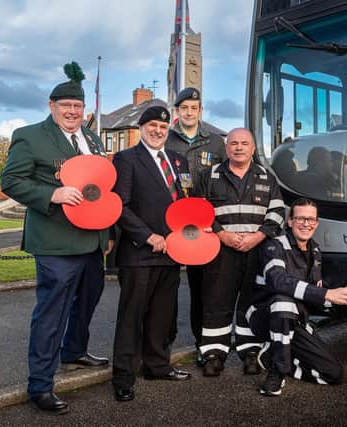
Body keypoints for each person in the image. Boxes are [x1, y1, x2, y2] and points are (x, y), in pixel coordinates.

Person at [0, 66, 111, 414]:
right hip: (55, 241)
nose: (72, 111)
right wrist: (54, 193)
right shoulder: (29, 136)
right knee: (52, 312)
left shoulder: (92, 139)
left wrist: (106, 234)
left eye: (77, 106)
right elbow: (12, 181)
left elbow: (101, 187)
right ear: (51, 106)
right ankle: (40, 385)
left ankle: (75, 351)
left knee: (88, 301)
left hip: (92, 240)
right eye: (65, 105)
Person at [111, 106, 191, 402]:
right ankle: (123, 377)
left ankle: (157, 365)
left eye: (163, 126)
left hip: (172, 251)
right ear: (142, 127)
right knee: (132, 317)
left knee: (162, 315)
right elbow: (120, 206)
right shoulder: (127, 159)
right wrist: (148, 236)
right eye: (152, 125)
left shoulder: (178, 160)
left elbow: (187, 201)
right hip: (140, 253)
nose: (158, 130)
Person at [194, 127, 285, 377]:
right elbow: (198, 210)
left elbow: (277, 211)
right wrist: (222, 234)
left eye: (244, 143)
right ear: (226, 148)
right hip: (219, 249)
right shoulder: (209, 175)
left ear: (253, 148)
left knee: (252, 301)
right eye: (233, 143)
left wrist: (258, 236)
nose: (239, 147)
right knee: (216, 300)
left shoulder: (267, 176)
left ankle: (250, 351)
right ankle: (213, 353)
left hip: (256, 250)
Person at [247, 198, 347, 396]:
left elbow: (313, 293)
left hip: (294, 320)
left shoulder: (315, 251)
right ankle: (277, 372)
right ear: (289, 221)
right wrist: (327, 293)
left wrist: (342, 295)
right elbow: (278, 282)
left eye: (311, 219)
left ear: (316, 223)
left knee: (332, 374)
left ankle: (274, 356)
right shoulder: (274, 246)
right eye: (300, 218)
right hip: (265, 316)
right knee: (284, 302)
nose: (306, 224)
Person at [166, 87, 226, 366]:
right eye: (184, 108)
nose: (189, 112)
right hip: (172, 222)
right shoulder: (165, 140)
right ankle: (161, 347)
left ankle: (205, 345)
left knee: (204, 288)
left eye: (194, 108)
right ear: (176, 111)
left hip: (206, 225)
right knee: (166, 288)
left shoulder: (215, 143)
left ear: (200, 111)